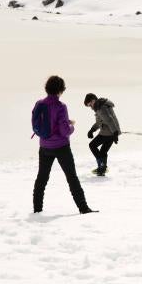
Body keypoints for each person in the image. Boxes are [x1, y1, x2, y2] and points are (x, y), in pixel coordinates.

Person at [32, 76, 95, 214]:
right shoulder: (61, 106)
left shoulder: (39, 104)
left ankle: (37, 210)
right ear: (60, 90)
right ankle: (83, 208)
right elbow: (64, 131)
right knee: (71, 177)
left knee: (42, 178)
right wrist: (71, 126)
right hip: (61, 147)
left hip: (44, 147)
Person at [84, 93, 121, 176]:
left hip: (108, 132)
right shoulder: (100, 105)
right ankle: (102, 168)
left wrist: (115, 133)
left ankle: (102, 168)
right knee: (103, 151)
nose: (90, 107)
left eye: (90, 105)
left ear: (93, 100)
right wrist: (92, 130)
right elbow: (100, 121)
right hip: (111, 132)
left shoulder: (101, 107)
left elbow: (109, 120)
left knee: (92, 145)